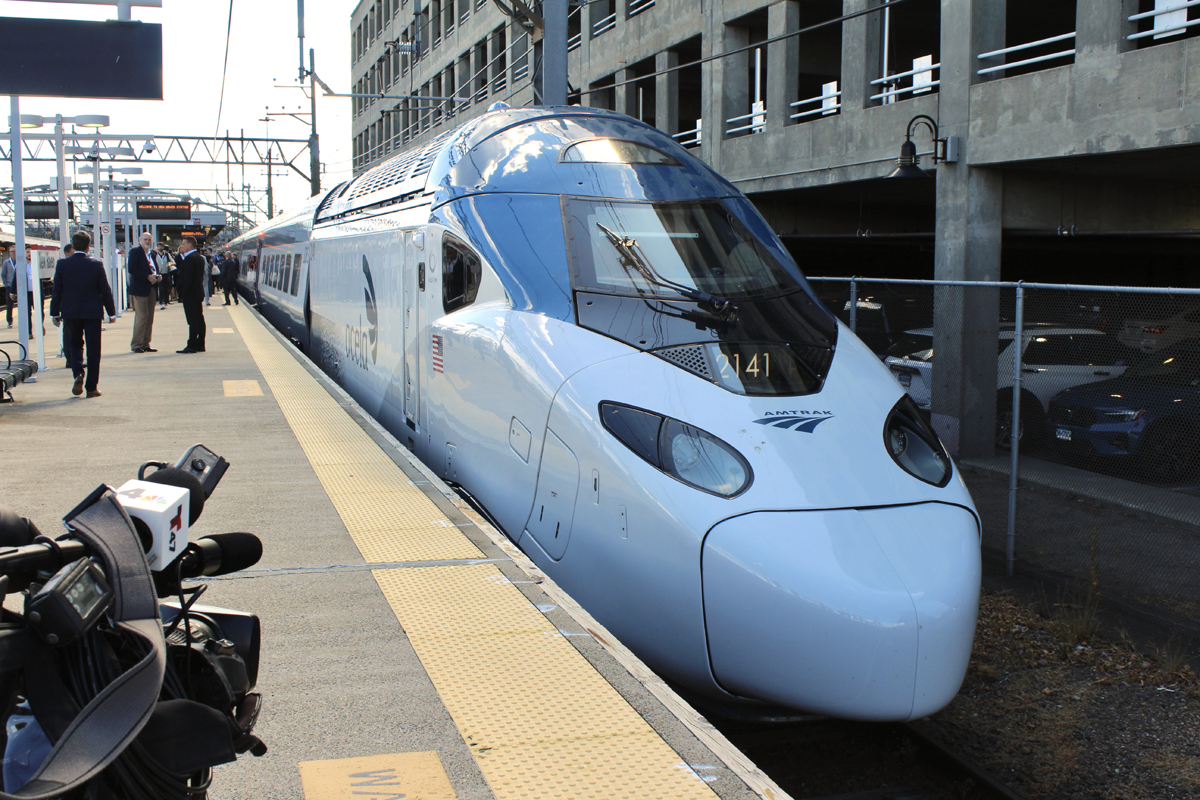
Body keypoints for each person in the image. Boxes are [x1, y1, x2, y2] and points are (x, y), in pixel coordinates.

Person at [50, 230, 116, 399]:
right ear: (88, 246)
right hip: (92, 312)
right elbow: (105, 290)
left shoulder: (62, 264)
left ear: (73, 245)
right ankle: (92, 388)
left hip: (71, 312)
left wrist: (54, 312)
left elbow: (56, 290)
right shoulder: (96, 264)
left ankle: (78, 373)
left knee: (75, 345)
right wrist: (112, 312)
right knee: (94, 349)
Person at [126, 232, 161, 353]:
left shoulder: (152, 254)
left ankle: (146, 343)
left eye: (149, 240)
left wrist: (157, 276)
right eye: (145, 239)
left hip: (151, 288)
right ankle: (136, 344)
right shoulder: (135, 252)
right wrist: (147, 277)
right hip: (140, 289)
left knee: (150, 317)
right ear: (140, 240)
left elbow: (153, 268)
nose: (147, 242)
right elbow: (132, 269)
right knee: (142, 317)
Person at [174, 236, 206, 353]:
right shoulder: (199, 258)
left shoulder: (189, 259)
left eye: (183, 244)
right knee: (199, 318)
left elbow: (187, 278)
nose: (182, 246)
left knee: (192, 320)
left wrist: (182, 292)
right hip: (198, 292)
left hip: (190, 294)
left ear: (189, 245)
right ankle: (200, 344)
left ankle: (191, 345)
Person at [154, 242, 173, 308]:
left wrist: (167, 265)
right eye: (159, 246)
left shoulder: (167, 254)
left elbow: (173, 262)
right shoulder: (155, 254)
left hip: (166, 273)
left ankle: (166, 301)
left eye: (161, 246)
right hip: (159, 273)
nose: (160, 247)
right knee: (161, 288)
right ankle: (161, 302)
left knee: (167, 288)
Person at [1, 246, 15, 327]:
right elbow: (3, 275)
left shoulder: (20, 261)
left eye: (14, 251)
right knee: (9, 305)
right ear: (9, 253)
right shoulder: (7, 262)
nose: (13, 253)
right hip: (10, 286)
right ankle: (9, 321)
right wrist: (6, 284)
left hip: (19, 286)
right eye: (11, 251)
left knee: (23, 304)